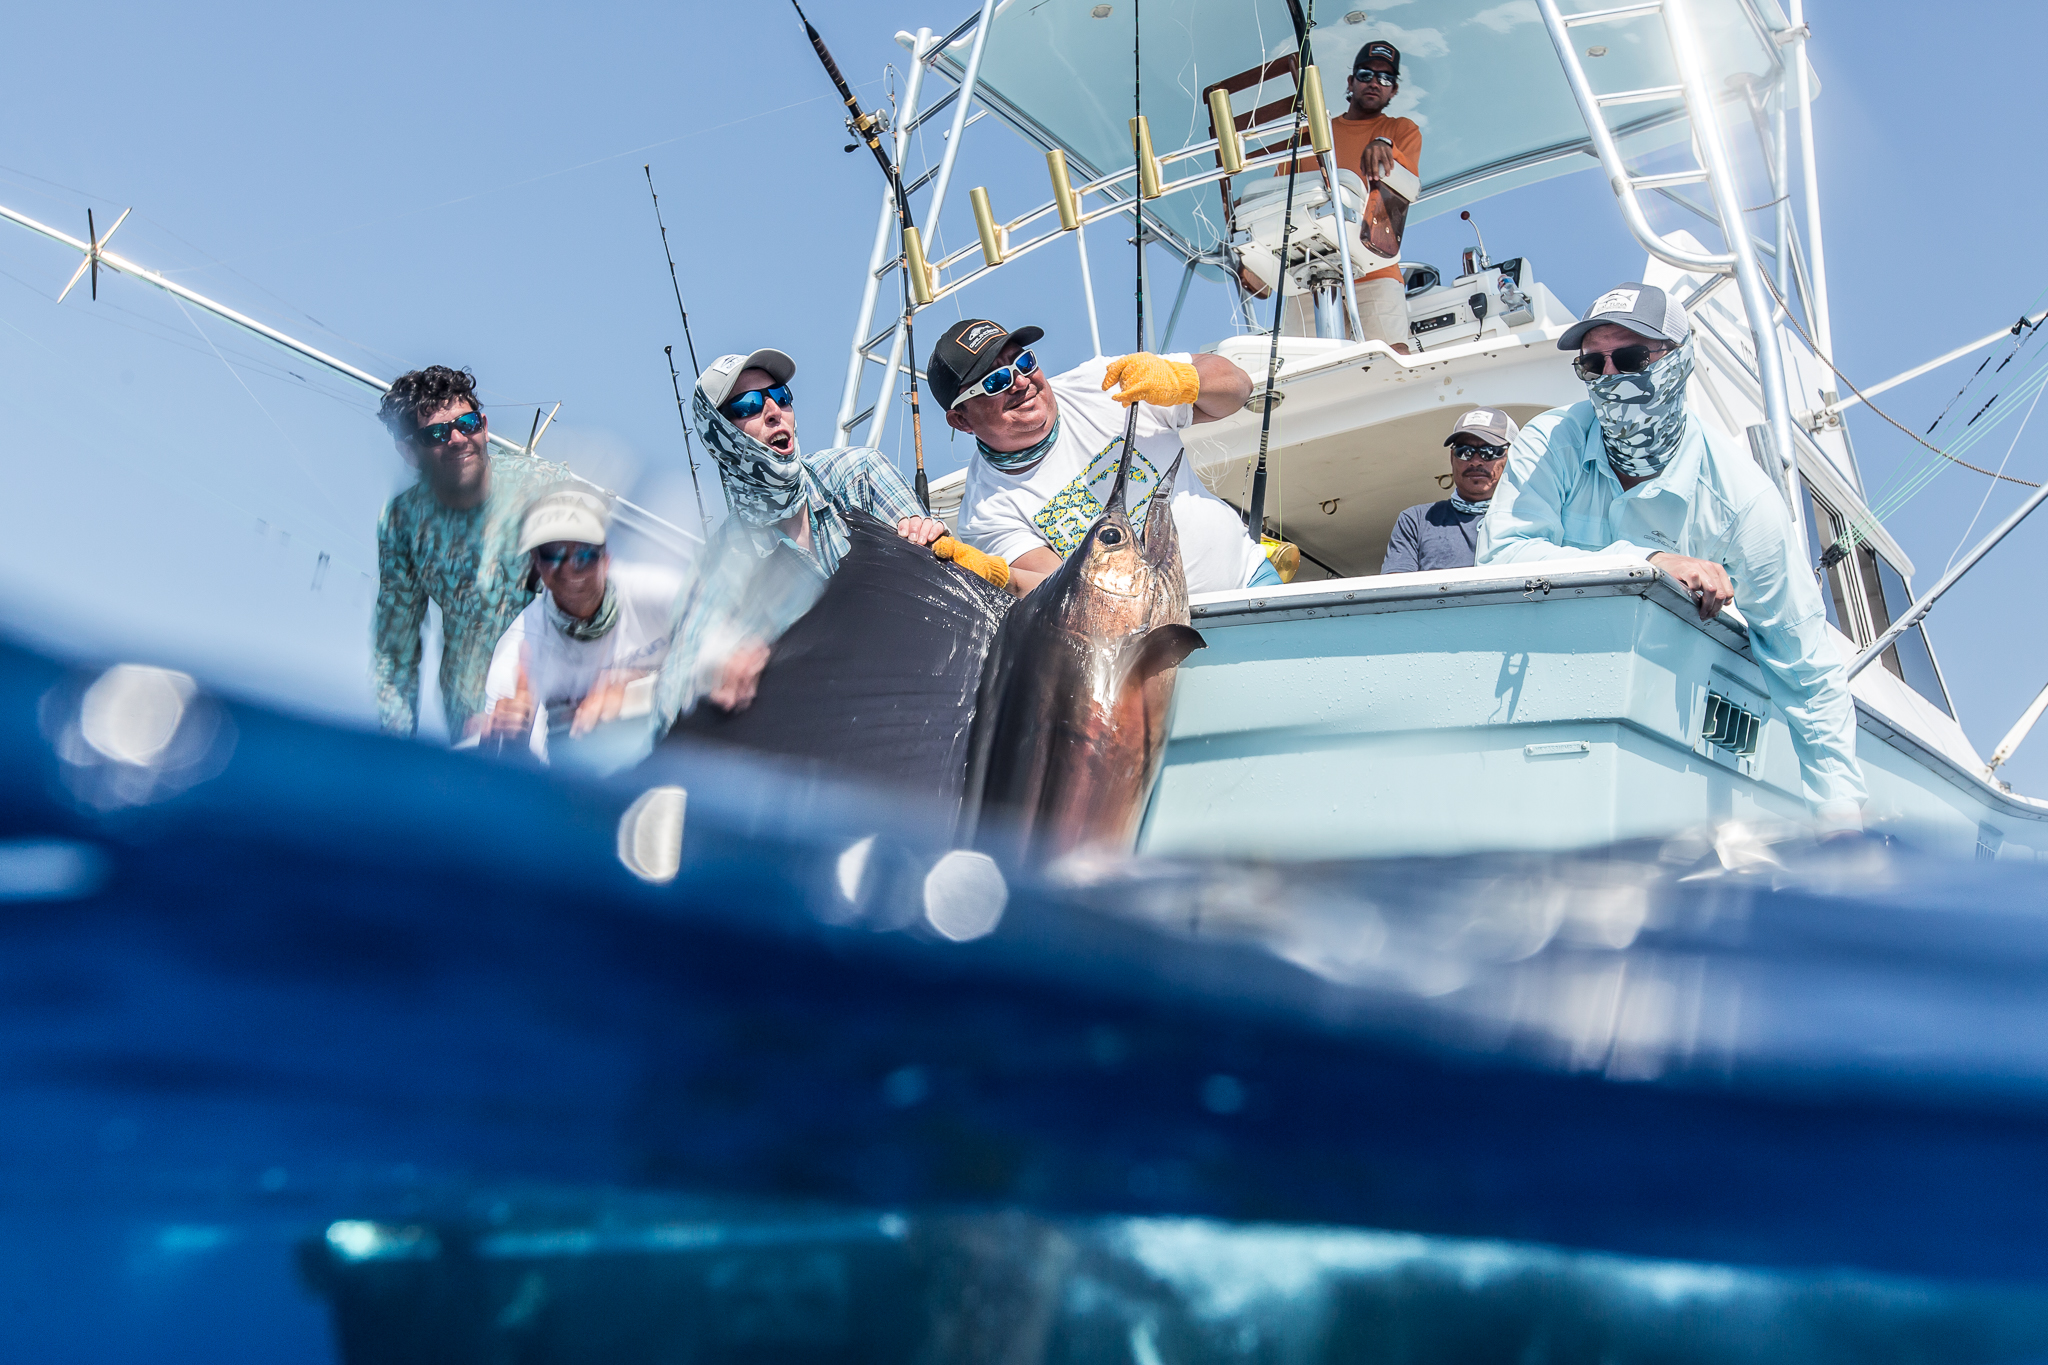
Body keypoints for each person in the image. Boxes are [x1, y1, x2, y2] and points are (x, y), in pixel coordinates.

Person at [1478, 282, 1866, 832]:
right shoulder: (1551, 441)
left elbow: (1806, 669)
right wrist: (1650, 561)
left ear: (1680, 363)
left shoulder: (1744, 503)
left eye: (1632, 357)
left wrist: (1840, 814)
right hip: (1528, 720)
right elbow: (1501, 559)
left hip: (1660, 759)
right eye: (1594, 364)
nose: (1611, 377)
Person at [653, 347, 1002, 725]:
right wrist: (712, 668)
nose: (774, 411)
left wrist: (928, 539)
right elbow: (671, 699)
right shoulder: (720, 564)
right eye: (748, 405)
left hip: (936, 692)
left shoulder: (859, 473)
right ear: (719, 436)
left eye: (781, 396)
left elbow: (940, 578)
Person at [937, 319, 1271, 598]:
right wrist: (1000, 577)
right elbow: (1061, 590)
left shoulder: (1102, 384)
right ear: (961, 420)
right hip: (1156, 645)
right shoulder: (985, 511)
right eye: (996, 381)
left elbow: (1238, 387)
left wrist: (1186, 380)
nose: (1022, 382)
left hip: (1252, 581)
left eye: (1023, 362)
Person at [373, 365, 566, 741]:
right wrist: (395, 753)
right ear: (410, 452)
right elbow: (395, 651)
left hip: (553, 702)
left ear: (485, 425)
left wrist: (527, 689)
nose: (459, 438)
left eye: (469, 423)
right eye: (438, 434)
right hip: (471, 718)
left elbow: (588, 600)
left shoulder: (544, 487)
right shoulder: (403, 522)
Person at [476, 487, 685, 763]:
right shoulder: (518, 649)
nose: (569, 568)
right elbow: (507, 768)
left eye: (584, 554)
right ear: (537, 564)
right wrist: (511, 740)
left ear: (606, 559)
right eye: (553, 554)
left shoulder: (655, 592)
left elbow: (730, 641)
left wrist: (635, 689)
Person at [1278, 39, 1420, 350]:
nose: (1375, 83)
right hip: (1306, 269)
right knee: (1302, 368)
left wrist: (1384, 144)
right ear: (1351, 81)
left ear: (1393, 90)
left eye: (1385, 78)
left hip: (1375, 266)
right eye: (1366, 74)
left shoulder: (1401, 130)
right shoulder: (1312, 135)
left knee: (1392, 358)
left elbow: (1407, 185)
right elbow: (1280, 196)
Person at [1381, 407, 1519, 573]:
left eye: (1489, 451)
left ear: (1512, 456)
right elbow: (1398, 592)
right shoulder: (1415, 520)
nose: (1475, 461)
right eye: (1464, 452)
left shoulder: (1533, 517)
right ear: (1452, 457)